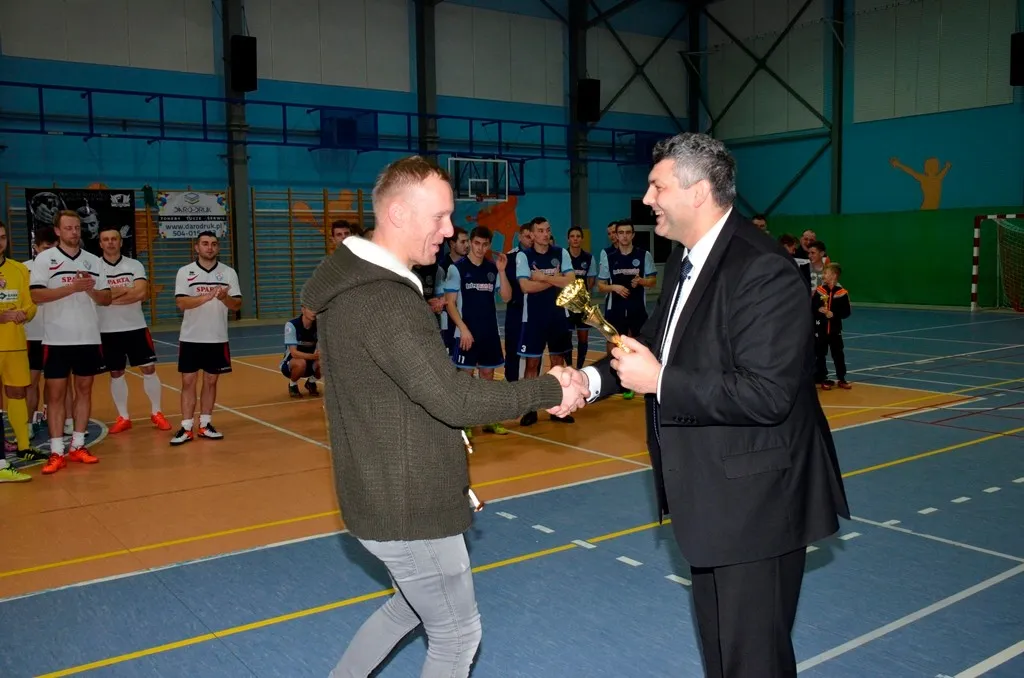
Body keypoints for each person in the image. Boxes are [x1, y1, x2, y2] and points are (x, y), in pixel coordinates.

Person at [300, 155, 588, 678]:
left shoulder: (357, 287)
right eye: (439, 217)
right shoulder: (383, 299)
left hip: (384, 488)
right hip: (409, 504)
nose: (450, 230)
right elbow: (454, 399)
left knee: (407, 608)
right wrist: (549, 389)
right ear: (397, 213)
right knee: (457, 636)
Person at [578, 133, 850, 678]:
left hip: (756, 503)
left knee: (753, 661)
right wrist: (587, 382)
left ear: (698, 191)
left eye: (657, 187)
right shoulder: (687, 259)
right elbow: (652, 346)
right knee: (724, 655)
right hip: (713, 500)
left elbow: (767, 394)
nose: (647, 199)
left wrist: (661, 381)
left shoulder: (762, 267)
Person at [30, 210, 111, 474]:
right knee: (55, 394)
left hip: (88, 338)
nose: (74, 232)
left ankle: (78, 445)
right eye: (68, 228)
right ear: (57, 231)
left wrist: (90, 289)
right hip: (56, 339)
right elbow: (36, 296)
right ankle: (56, 451)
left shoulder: (93, 260)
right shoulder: (45, 259)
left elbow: (106, 299)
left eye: (77, 228)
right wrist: (71, 288)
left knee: (84, 391)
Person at [170, 231, 242, 445]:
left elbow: (237, 305)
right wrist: (207, 296)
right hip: (191, 337)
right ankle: (186, 427)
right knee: (188, 381)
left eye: (213, 244)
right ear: (197, 247)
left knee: (211, 381)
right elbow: (181, 303)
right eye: (205, 243)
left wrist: (225, 297)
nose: (209, 247)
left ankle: (205, 424)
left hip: (217, 337)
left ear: (218, 247)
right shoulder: (185, 272)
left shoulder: (228, 273)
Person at [97, 225, 171, 434]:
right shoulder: (94, 267)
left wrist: (109, 297)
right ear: (100, 244)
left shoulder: (134, 264)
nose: (110, 242)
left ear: (120, 242)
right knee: (116, 373)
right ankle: (123, 417)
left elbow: (140, 293)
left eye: (114, 239)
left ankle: (157, 412)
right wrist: (123, 290)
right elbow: (97, 297)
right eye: (106, 239)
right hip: (107, 330)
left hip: (136, 327)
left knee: (149, 369)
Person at [814, 262, 852, 391]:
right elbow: (812, 308)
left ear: (834, 275)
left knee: (838, 354)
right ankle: (823, 378)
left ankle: (842, 378)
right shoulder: (819, 291)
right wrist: (819, 310)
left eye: (826, 273)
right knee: (820, 354)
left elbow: (846, 312)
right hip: (821, 330)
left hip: (835, 330)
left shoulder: (842, 293)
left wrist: (834, 314)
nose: (823, 275)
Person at [281, 306, 320, 397]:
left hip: (311, 363)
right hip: (292, 364)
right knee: (301, 363)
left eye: (315, 309)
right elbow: (294, 353)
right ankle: (293, 385)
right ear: (303, 310)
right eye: (311, 309)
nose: (314, 312)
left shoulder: (319, 326)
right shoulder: (292, 325)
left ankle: (311, 382)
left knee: (325, 362)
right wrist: (313, 356)